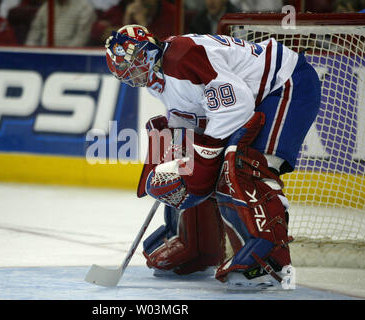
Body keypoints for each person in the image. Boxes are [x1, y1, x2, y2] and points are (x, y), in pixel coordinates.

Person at [104, 25, 321, 289]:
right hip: (255, 96)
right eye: (125, 72)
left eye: (134, 65)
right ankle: (198, 248)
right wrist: (184, 159)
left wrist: (204, 157)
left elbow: (236, 106)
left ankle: (269, 263)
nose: (131, 75)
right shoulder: (157, 77)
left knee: (247, 166)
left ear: (148, 52)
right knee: (190, 165)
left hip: (285, 84)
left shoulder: (182, 57)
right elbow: (193, 117)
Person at [25, 0, 96, 47]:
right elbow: (33, 36)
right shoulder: (46, 7)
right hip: (42, 54)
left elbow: (81, 39)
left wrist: (62, 54)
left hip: (70, 57)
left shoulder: (84, 7)